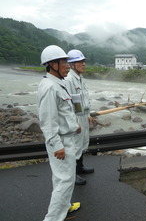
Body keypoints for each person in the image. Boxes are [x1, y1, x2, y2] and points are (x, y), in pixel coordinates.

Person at [37, 45, 81, 221]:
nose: (67, 65)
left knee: (61, 178)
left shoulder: (58, 84)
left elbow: (63, 111)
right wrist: (57, 145)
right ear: (52, 64)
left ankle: (64, 206)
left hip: (66, 137)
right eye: (63, 62)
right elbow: (47, 121)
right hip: (61, 142)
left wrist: (74, 125)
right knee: (65, 180)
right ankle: (53, 218)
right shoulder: (49, 87)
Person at [65, 49, 94, 185]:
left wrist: (88, 114)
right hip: (75, 116)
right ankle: (73, 174)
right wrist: (73, 122)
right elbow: (68, 103)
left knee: (82, 142)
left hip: (83, 115)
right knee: (75, 145)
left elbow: (84, 99)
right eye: (79, 62)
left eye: (83, 61)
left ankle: (80, 167)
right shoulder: (69, 80)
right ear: (71, 65)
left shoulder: (81, 79)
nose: (83, 64)